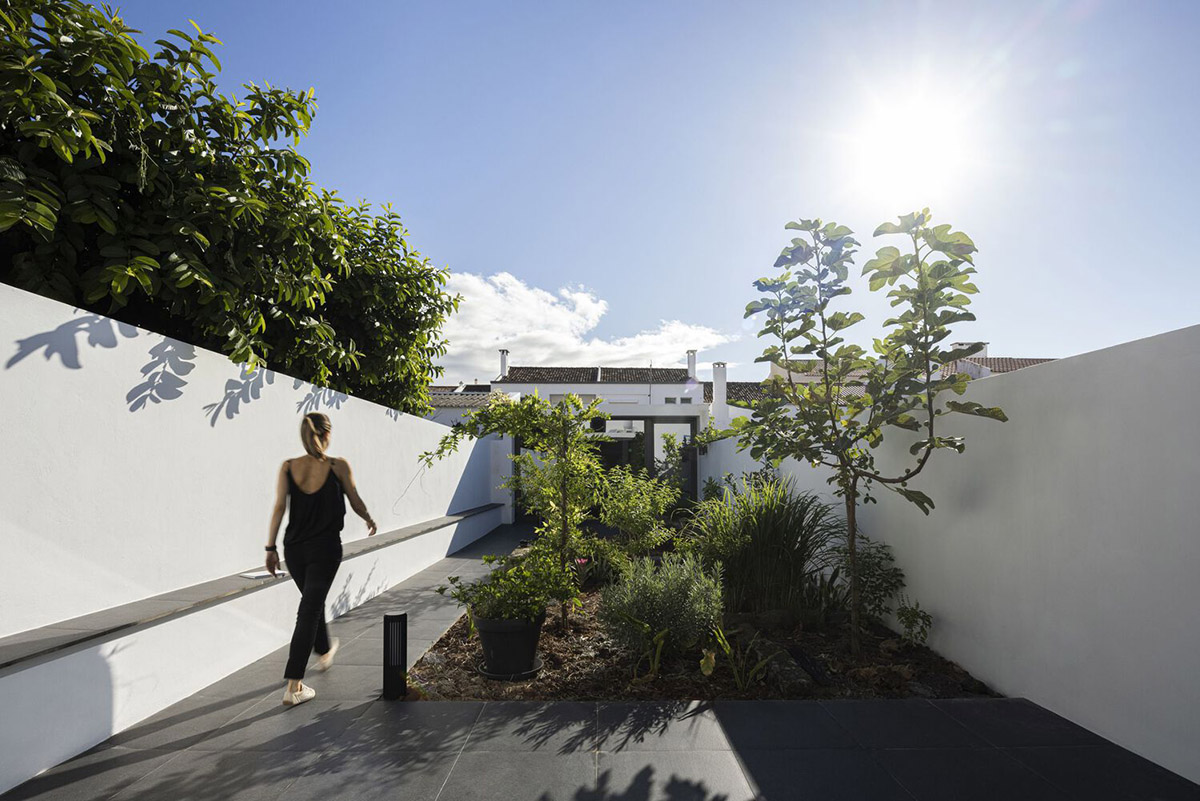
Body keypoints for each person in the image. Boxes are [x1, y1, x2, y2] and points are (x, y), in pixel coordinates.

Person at [265, 412, 377, 706]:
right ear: (327, 434)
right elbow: (354, 500)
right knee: (309, 608)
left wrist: (270, 548)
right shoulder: (338, 466)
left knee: (312, 602)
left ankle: (324, 648)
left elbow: (279, 508)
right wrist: (369, 518)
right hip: (325, 549)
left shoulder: (288, 467)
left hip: (293, 550)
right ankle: (294, 686)